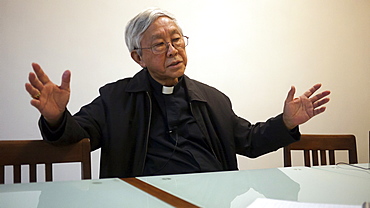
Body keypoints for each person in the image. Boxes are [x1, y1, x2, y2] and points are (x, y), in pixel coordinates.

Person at [25, 8, 330, 178]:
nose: (172, 50)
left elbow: (249, 141)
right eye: (159, 44)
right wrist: (56, 118)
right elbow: (78, 136)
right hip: (143, 198)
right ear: (137, 57)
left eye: (177, 40)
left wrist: (287, 122)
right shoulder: (115, 99)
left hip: (213, 196)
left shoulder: (212, 99)